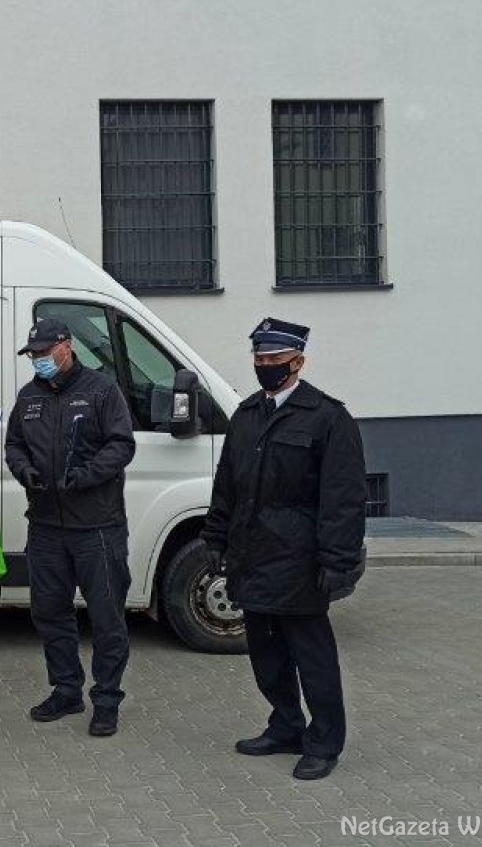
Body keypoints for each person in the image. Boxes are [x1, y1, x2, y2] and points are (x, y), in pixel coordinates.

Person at [198, 317, 366, 781]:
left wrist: (339, 562)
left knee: (312, 658)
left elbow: (344, 499)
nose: (265, 365)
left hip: (299, 563)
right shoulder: (247, 415)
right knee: (266, 655)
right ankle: (286, 726)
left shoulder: (328, 418)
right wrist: (214, 537)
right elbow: (227, 486)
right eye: (260, 358)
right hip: (251, 557)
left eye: (275, 358)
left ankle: (324, 741)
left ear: (298, 362)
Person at [4, 318, 136, 737]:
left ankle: (107, 700)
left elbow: (122, 444)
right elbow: (14, 445)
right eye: (34, 355)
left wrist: (87, 476)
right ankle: (66, 690)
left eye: (45, 353)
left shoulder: (101, 390)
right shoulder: (29, 396)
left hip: (97, 526)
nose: (39, 360)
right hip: (45, 525)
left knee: (106, 618)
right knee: (49, 613)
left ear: (67, 346)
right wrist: (24, 471)